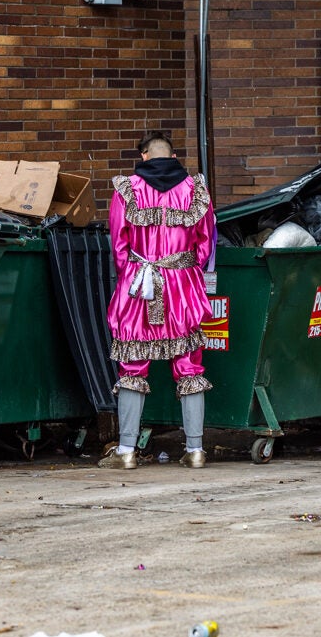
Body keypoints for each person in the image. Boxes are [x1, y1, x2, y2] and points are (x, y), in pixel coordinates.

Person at [99, 131, 216, 469]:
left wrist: (133, 276)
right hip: (183, 286)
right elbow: (205, 245)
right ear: (173, 155)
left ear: (145, 155)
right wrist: (184, 270)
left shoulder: (127, 190)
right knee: (189, 364)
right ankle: (195, 451)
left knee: (133, 363)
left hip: (140, 283)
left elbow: (119, 245)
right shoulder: (196, 190)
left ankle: (126, 452)